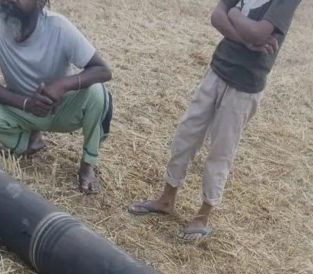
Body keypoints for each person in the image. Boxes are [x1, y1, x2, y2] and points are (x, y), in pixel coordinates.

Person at [128, 0, 302, 242]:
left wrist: (235, 14)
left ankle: (202, 216)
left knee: (221, 151)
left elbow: (258, 32)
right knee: (186, 134)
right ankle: (166, 198)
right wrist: (245, 40)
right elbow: (217, 15)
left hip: (245, 85)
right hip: (218, 68)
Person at [0, 0, 113, 194]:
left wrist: (62, 85)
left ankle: (88, 164)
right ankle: (29, 140)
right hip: (22, 109)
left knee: (98, 92)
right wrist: (27, 104)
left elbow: (103, 70)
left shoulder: (59, 27)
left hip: (62, 109)